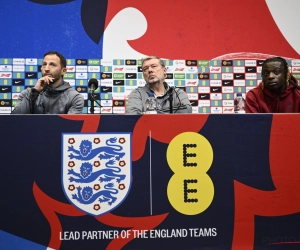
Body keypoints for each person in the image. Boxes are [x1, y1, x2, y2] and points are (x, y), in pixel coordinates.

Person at [11, 51, 84, 114]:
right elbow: (14, 121)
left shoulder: (75, 98)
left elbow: (70, 126)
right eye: (44, 64)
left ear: (63, 71)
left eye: (52, 65)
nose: (46, 69)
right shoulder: (27, 94)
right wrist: (34, 93)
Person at [126, 56, 192, 114]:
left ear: (164, 70)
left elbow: (187, 111)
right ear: (143, 75)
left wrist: (149, 113)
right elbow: (132, 115)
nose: (150, 70)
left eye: (153, 66)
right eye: (145, 69)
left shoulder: (177, 93)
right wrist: (172, 112)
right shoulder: (137, 93)